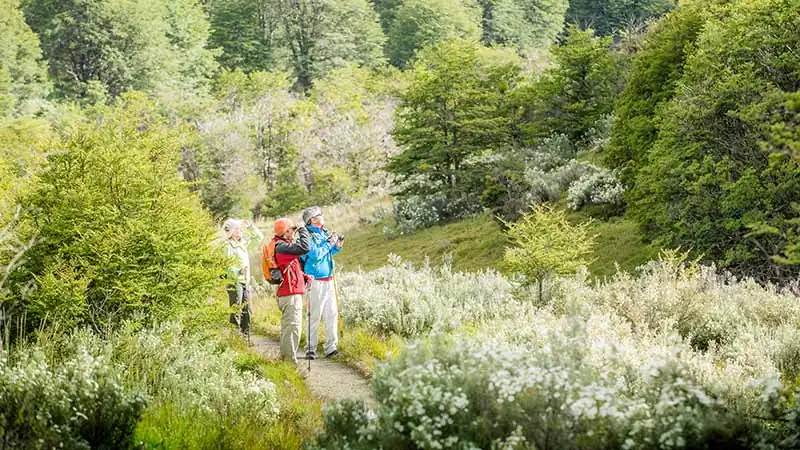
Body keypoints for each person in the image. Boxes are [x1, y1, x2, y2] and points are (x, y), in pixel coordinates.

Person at [300, 206, 344, 359]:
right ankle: (310, 349)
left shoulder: (323, 232)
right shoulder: (307, 235)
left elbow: (328, 253)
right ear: (312, 220)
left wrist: (336, 247)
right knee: (314, 315)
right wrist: (329, 243)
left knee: (331, 314)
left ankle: (331, 347)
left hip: (328, 279)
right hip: (315, 281)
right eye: (319, 215)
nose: (322, 216)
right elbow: (315, 255)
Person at [271, 218, 311, 367]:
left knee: (290, 327)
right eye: (291, 230)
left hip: (289, 293)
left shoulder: (283, 246)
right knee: (292, 328)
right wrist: (303, 229)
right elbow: (304, 247)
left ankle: (287, 360)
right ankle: (289, 363)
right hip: (290, 295)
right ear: (285, 231)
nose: (294, 233)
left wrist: (305, 277)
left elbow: (291, 268)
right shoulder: (281, 247)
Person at [223, 219, 264, 337]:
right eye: (236, 229)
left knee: (247, 309)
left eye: (240, 229)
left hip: (245, 281)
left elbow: (258, 237)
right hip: (234, 281)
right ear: (231, 231)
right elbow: (226, 265)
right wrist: (238, 271)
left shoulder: (243, 244)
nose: (239, 231)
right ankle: (235, 337)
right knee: (236, 309)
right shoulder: (227, 246)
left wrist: (250, 226)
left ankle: (245, 336)